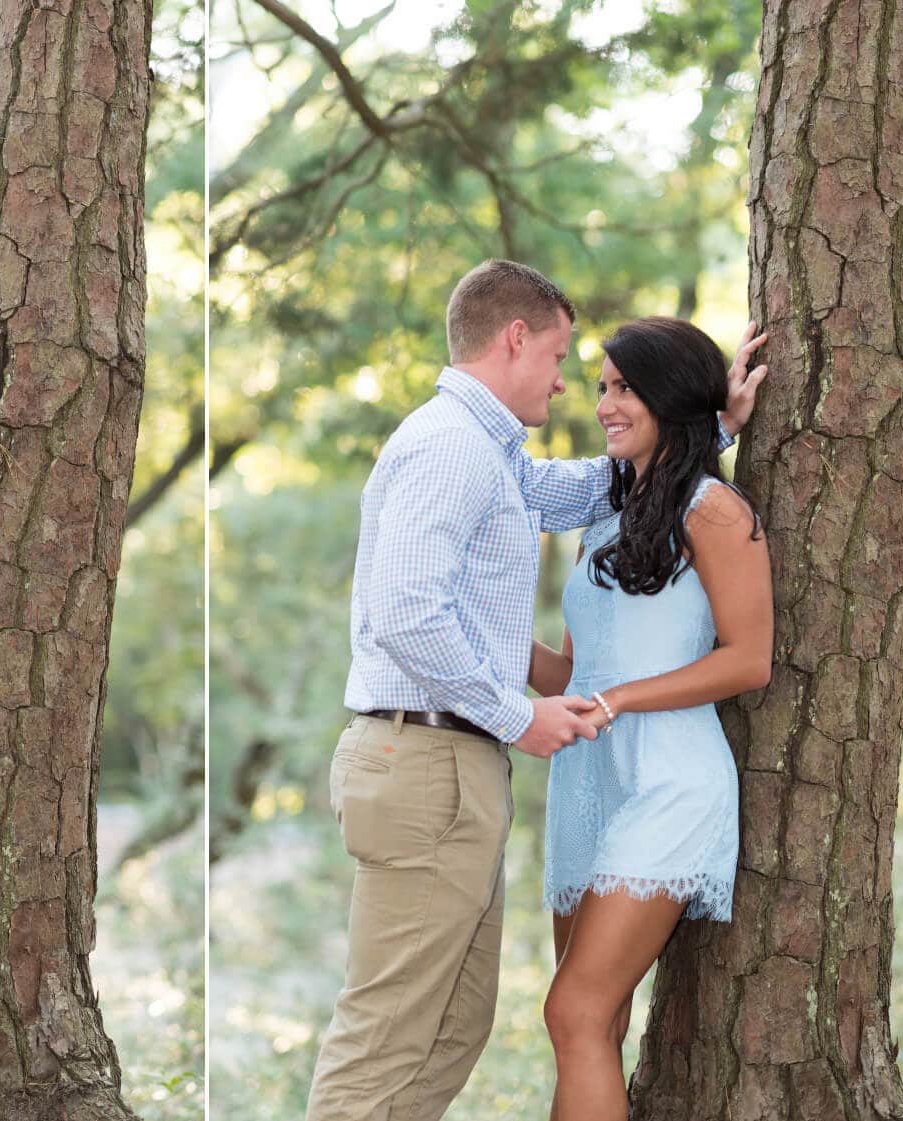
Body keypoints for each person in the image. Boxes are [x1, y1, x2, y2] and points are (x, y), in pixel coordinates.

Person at [304, 260, 768, 1121]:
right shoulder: (451, 446)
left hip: (488, 763)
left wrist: (709, 426)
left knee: (451, 1028)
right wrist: (520, 713)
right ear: (516, 337)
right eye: (568, 364)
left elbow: (603, 484)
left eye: (617, 385)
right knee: (399, 1031)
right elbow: (408, 612)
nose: (575, 391)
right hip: (434, 757)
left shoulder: (496, 455)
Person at [530, 317, 772, 1121]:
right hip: (585, 776)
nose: (603, 403)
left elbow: (749, 659)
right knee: (591, 1020)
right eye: (602, 386)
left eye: (624, 387)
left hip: (668, 777)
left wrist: (621, 700)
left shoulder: (716, 510)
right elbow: (578, 671)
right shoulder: (603, 516)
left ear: (669, 394)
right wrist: (485, 637)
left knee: (573, 1012)